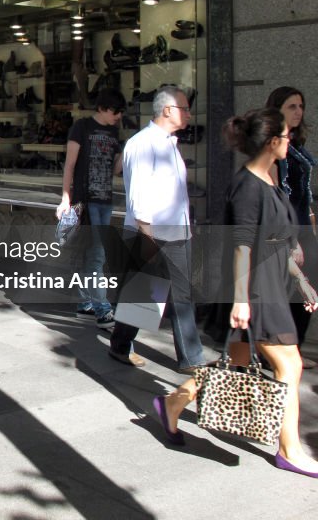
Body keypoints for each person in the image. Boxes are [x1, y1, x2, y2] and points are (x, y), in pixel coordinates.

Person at [154, 109, 318, 477]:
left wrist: (301, 279)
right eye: (286, 136)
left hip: (270, 283)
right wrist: (242, 300)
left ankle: (172, 403)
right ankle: (289, 450)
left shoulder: (268, 181)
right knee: (289, 364)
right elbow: (241, 245)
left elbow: (275, 241)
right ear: (272, 141)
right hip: (255, 289)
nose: (290, 141)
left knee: (239, 362)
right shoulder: (246, 187)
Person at [108, 86, 205, 371]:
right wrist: (147, 237)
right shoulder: (142, 143)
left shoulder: (169, 144)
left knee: (177, 294)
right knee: (145, 295)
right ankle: (122, 344)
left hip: (175, 231)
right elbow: (138, 196)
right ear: (167, 110)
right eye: (184, 108)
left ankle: (189, 356)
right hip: (151, 232)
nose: (189, 113)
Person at [56, 88, 126, 327]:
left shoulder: (115, 131)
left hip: (105, 200)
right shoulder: (82, 127)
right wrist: (66, 198)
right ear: (103, 108)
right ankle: (102, 308)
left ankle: (86, 302)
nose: (118, 116)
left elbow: (116, 170)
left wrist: (124, 149)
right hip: (86, 201)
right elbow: (70, 165)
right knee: (96, 255)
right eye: (116, 111)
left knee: (92, 255)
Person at [266, 86, 317, 369]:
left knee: (307, 290)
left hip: (302, 226)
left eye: (301, 106)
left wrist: (309, 218)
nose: (298, 112)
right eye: (291, 107)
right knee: (287, 290)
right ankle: (280, 353)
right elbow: (275, 191)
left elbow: (301, 189)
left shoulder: (296, 144)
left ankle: (291, 350)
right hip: (284, 229)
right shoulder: (273, 145)